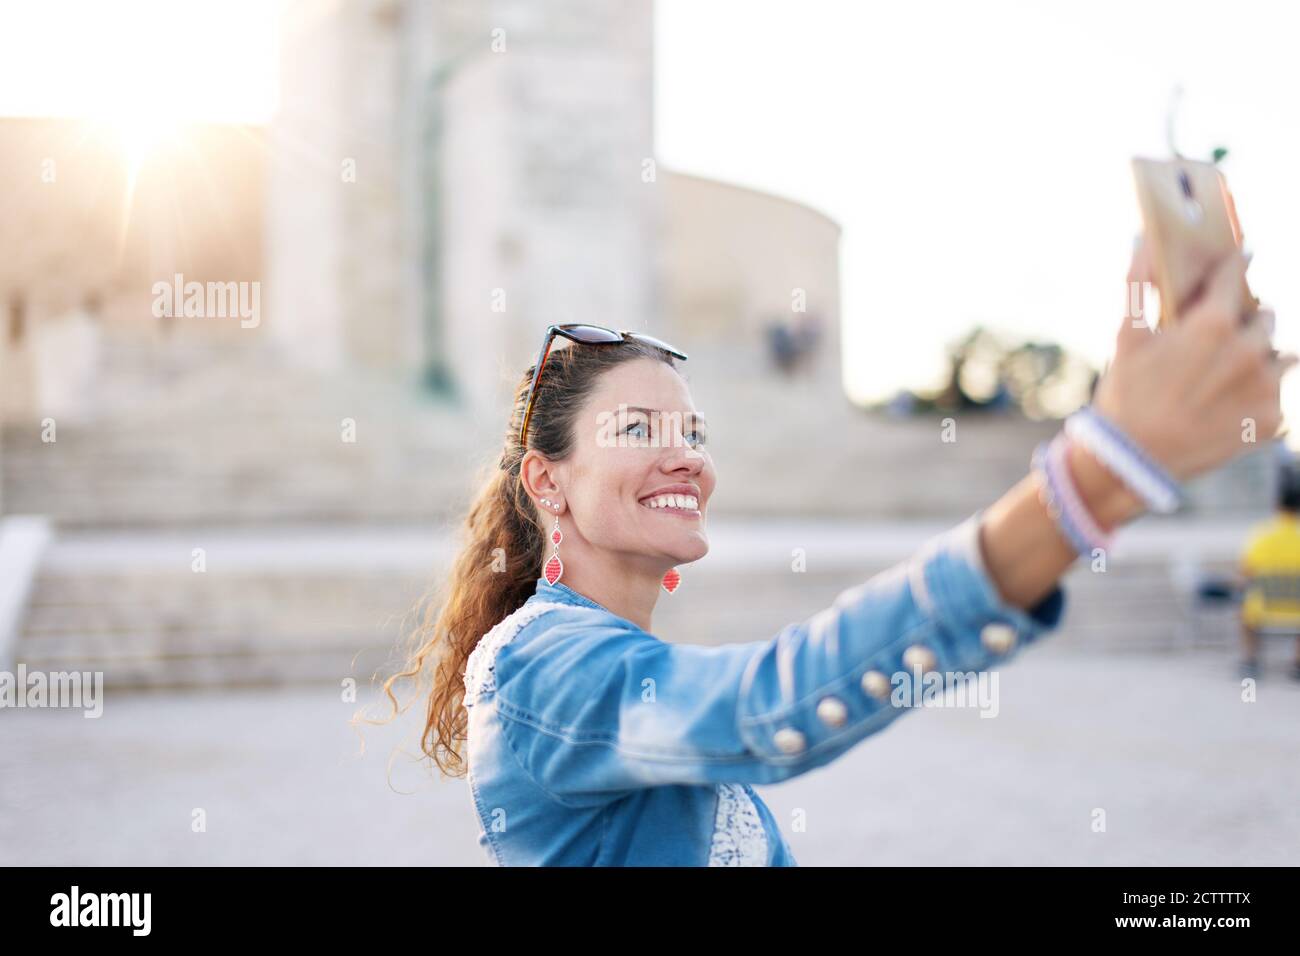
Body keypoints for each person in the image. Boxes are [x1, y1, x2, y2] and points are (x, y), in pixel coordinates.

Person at [374, 242, 1293, 865]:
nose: (686, 455)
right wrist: (1097, 473)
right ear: (547, 481)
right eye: (638, 428)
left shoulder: (603, 654)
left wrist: (1129, 475)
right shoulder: (536, 665)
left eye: (694, 431)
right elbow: (772, 704)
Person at [1237, 466, 1300, 680]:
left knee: (1245, 607)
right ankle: (1297, 663)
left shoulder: (1262, 536)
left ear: (1277, 504)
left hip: (1265, 609)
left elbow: (1245, 575)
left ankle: (1250, 661)